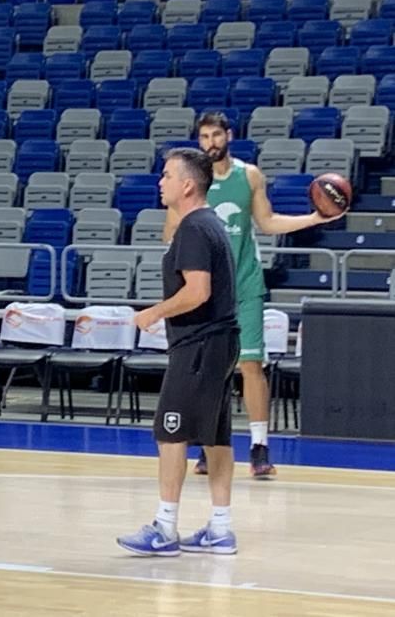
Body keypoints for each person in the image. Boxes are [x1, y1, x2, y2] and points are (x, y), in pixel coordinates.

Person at [164, 112, 340, 478]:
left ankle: (259, 448)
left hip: (244, 285)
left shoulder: (250, 176)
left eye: (216, 135)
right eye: (204, 137)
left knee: (251, 366)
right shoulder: (191, 183)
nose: (210, 142)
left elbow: (268, 222)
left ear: (229, 136)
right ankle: (208, 443)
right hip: (205, 290)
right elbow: (171, 236)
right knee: (210, 370)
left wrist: (313, 219)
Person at [117, 148, 240, 557]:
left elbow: (198, 291)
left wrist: (154, 312)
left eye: (167, 175)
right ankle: (220, 528)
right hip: (220, 342)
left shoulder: (193, 229)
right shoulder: (210, 223)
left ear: (187, 184)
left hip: (200, 344)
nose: (160, 182)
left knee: (170, 433)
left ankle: (164, 528)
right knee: (216, 437)